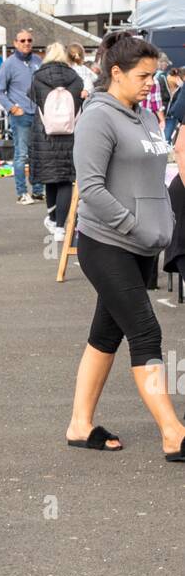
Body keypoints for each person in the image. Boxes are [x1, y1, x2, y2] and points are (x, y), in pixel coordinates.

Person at [68, 29, 185, 462]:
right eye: (142, 76)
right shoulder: (98, 117)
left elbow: (157, 177)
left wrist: (164, 223)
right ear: (115, 73)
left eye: (153, 77)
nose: (149, 84)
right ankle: (173, 432)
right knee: (146, 331)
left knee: (105, 334)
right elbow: (92, 188)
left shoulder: (147, 116)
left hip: (144, 244)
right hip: (107, 243)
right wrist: (134, 225)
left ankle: (80, 424)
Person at [29, 42, 84, 240]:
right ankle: (61, 226)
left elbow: (33, 99)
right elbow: (80, 101)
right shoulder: (75, 78)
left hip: (45, 135)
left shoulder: (38, 78)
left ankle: (52, 218)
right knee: (65, 181)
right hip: (70, 135)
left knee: (49, 178)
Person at [0, 30, 43, 203]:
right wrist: (12, 108)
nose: (26, 43)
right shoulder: (8, 64)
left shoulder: (38, 61)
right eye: (22, 40)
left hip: (38, 115)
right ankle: (22, 192)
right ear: (15, 43)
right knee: (21, 155)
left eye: (29, 40)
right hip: (20, 115)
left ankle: (38, 190)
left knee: (37, 153)